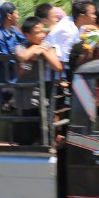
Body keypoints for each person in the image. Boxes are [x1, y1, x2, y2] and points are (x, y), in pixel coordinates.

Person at [15, 16, 63, 145]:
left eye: (43, 31)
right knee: (26, 135)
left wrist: (42, 50)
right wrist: (36, 49)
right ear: (27, 35)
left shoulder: (47, 46)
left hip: (39, 97)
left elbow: (57, 67)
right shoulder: (20, 46)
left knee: (44, 131)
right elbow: (23, 56)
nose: (42, 35)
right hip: (23, 99)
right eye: (37, 32)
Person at [0, 2, 27, 137]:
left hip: (15, 82)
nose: (18, 16)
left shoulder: (15, 32)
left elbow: (26, 43)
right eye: (17, 13)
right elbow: (8, 61)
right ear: (9, 16)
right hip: (3, 85)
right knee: (3, 117)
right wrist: (24, 60)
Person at [47, 0, 97, 76]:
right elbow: (63, 59)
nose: (95, 16)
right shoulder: (70, 32)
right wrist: (62, 79)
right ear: (82, 17)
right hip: (52, 74)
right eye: (92, 14)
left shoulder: (70, 21)